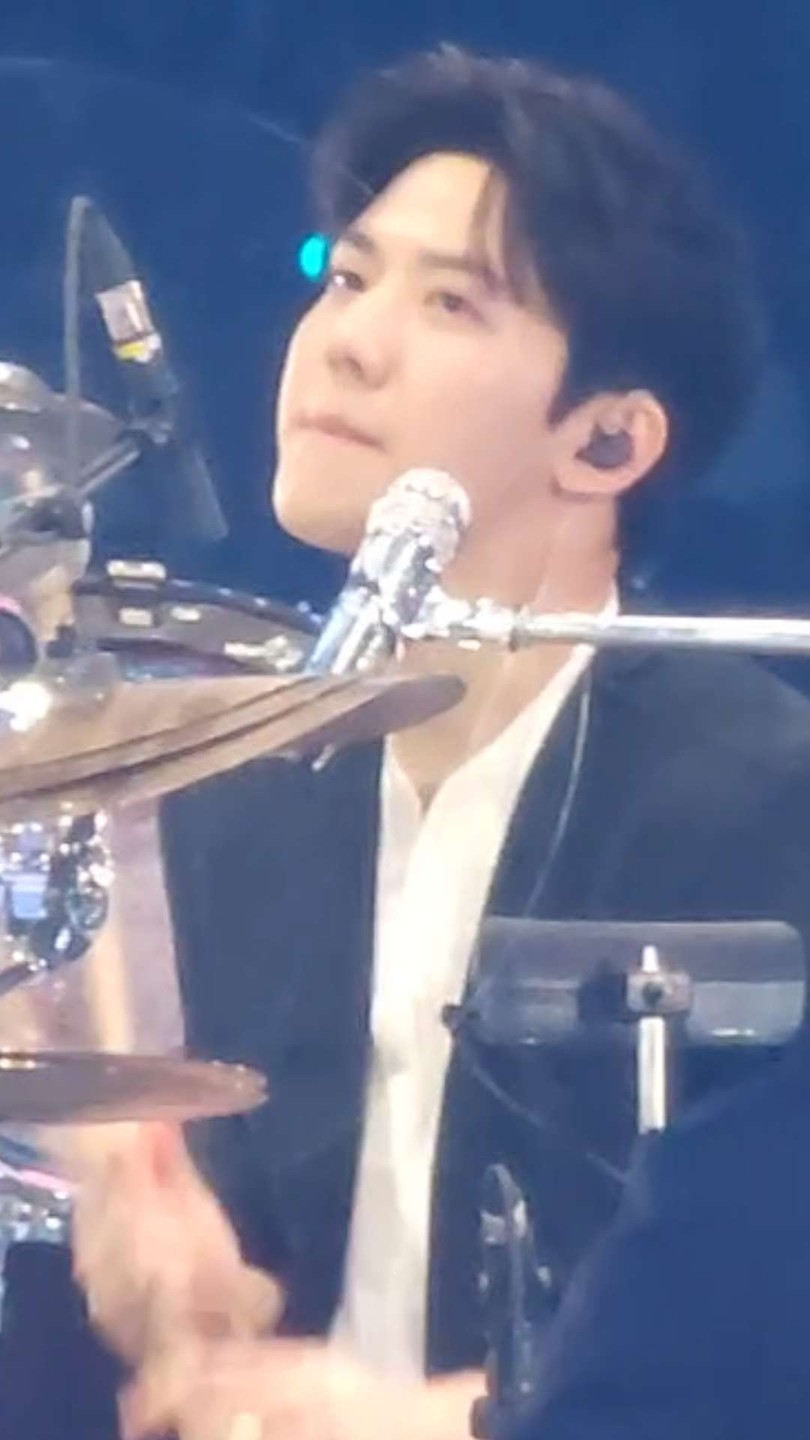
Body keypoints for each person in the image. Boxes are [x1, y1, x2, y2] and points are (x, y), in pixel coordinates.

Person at [57, 43, 810, 1440]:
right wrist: (130, 1193)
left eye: (451, 301)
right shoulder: (242, 787)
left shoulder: (770, 813)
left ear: (607, 442)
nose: (345, 341)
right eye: (347, 279)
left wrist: (450, 1419)